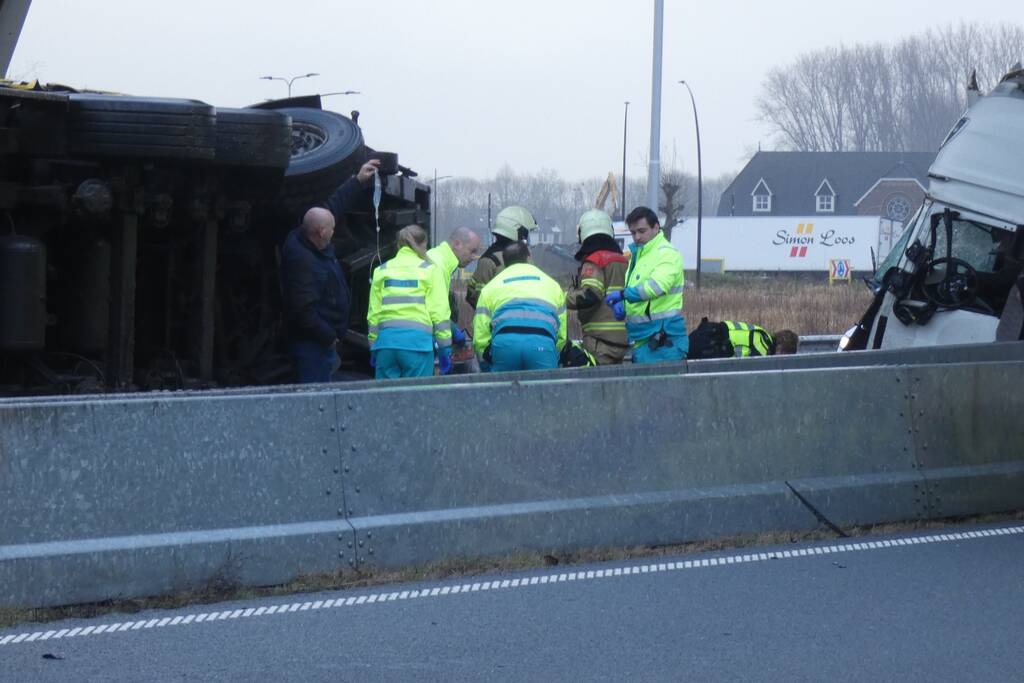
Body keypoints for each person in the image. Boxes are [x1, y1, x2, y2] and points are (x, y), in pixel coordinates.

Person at [280, 159, 379, 383]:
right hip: (312, 347)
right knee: (315, 401)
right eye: (332, 229)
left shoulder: (308, 235)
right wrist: (329, 337)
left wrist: (358, 181)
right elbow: (303, 310)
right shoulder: (304, 262)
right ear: (321, 232)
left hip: (318, 343)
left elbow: (332, 207)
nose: (335, 232)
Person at [367, 224, 452, 379]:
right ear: (422, 245)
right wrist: (445, 348)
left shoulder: (381, 270)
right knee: (415, 400)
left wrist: (373, 346)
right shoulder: (430, 271)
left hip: (386, 346)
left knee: (384, 400)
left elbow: (374, 315)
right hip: (417, 346)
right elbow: (439, 314)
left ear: (399, 245)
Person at [604, 206, 688, 364]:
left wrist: (623, 295)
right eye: (633, 232)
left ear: (656, 227)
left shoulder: (667, 254)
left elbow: (656, 287)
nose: (636, 237)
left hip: (663, 338)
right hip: (644, 338)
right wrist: (624, 305)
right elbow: (638, 290)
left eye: (642, 231)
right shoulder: (640, 256)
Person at [473, 242, 566, 372]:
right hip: (542, 343)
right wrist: (552, 354)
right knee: (545, 391)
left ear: (505, 262)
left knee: (502, 391)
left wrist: (486, 363)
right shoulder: (553, 285)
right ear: (529, 257)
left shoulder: (490, 288)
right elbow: (561, 334)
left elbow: (480, 335)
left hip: (504, 345)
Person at [565, 209, 629, 365]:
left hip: (600, 342)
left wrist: (565, 297)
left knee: (596, 387)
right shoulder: (623, 260)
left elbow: (590, 294)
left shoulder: (595, 260)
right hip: (624, 338)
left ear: (583, 233)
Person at [466, 206, 538, 308]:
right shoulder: (525, 257)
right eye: (526, 233)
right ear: (518, 232)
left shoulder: (487, 260)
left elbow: (474, 297)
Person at [427, 227, 482, 347]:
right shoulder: (438, 266)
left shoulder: (436, 259)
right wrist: (445, 345)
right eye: (472, 251)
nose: (474, 257)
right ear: (457, 244)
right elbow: (437, 311)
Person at [724, 322, 799, 356]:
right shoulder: (762, 352)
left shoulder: (761, 333)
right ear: (781, 349)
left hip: (718, 330)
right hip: (720, 346)